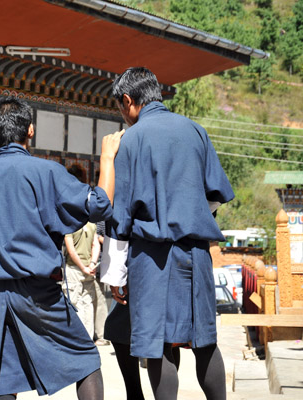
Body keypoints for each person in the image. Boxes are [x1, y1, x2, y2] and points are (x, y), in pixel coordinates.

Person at [0, 96, 124, 400]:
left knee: (2, 380)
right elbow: (100, 206)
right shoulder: (47, 172)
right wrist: (108, 158)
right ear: (30, 130)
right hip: (38, 291)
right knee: (84, 358)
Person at [101, 67, 234, 400]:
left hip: (152, 256)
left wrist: (115, 274)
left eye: (120, 107)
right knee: (204, 342)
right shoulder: (195, 131)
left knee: (159, 344)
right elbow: (215, 194)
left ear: (128, 101)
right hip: (196, 253)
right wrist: (186, 211)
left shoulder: (131, 139)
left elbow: (121, 214)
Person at [63, 165, 105, 341]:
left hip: (74, 268)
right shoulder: (91, 221)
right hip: (88, 267)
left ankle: (75, 342)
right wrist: (92, 265)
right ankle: (88, 342)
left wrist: (84, 266)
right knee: (88, 306)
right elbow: (96, 243)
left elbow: (70, 248)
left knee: (73, 306)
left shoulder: (69, 220)